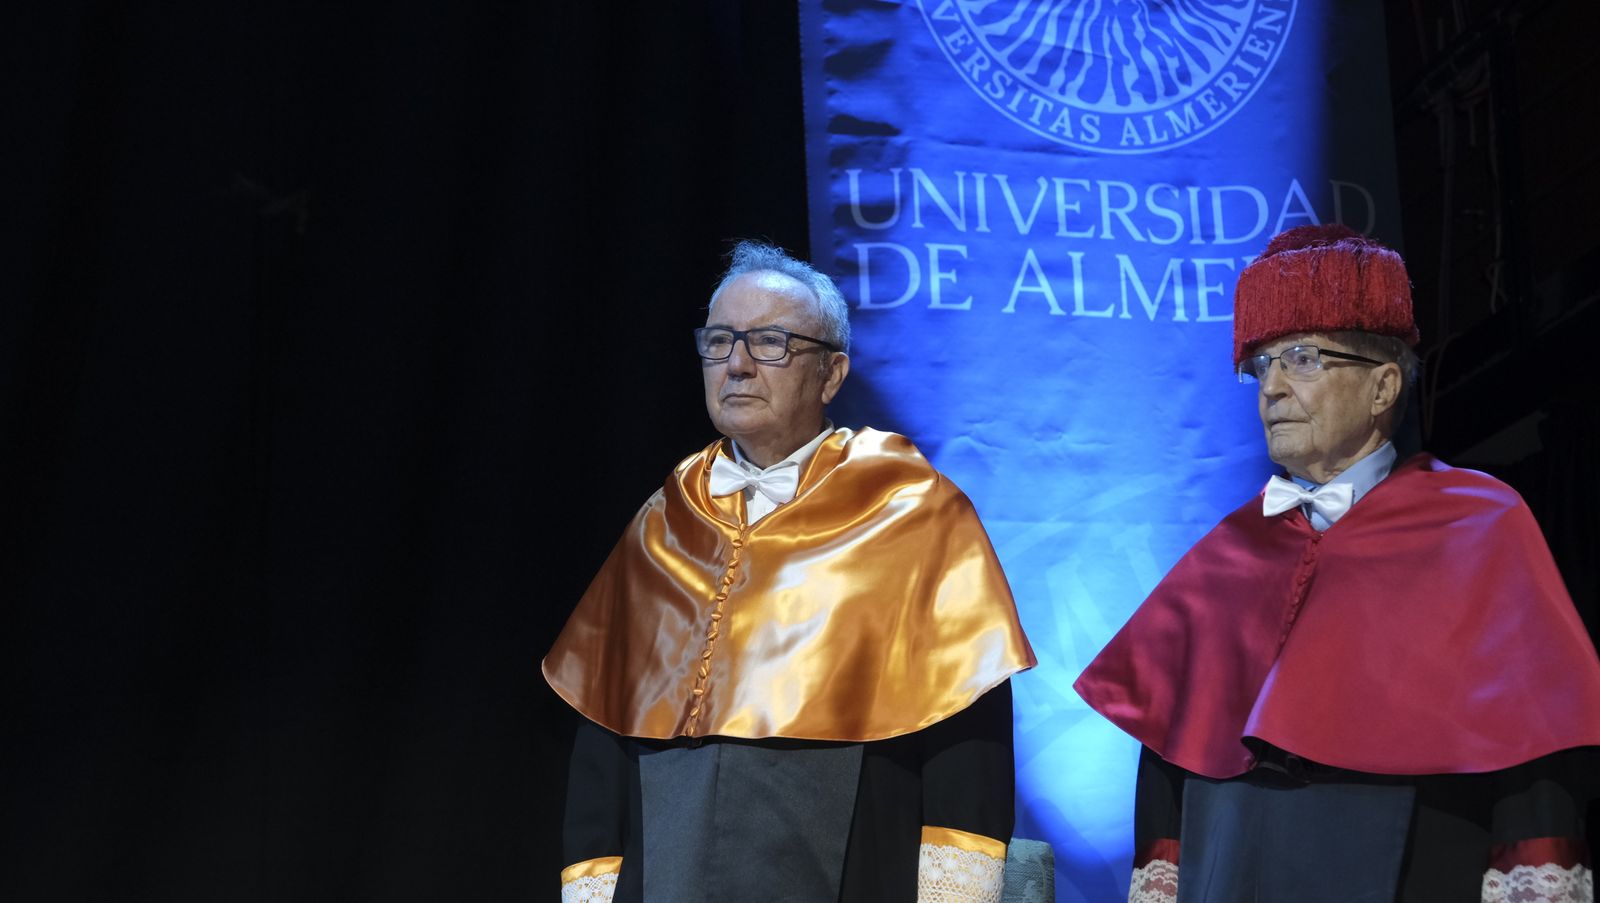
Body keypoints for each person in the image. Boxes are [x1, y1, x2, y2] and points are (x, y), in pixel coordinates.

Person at [1074, 224, 1600, 903]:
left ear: (1383, 387)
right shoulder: (1226, 556)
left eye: (1303, 358)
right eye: (1261, 365)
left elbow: (1533, 764)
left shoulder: (1477, 526)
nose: (1273, 388)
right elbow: (1170, 769)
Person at [544, 240, 1035, 903]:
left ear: (831, 374)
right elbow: (603, 745)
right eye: (719, 341)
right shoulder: (663, 521)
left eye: (770, 342)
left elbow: (967, 741)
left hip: (851, 862)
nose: (737, 365)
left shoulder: (913, 511)